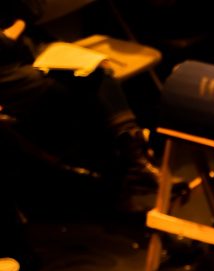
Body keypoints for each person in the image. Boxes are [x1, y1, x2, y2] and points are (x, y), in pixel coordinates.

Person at [0, 0, 159, 212]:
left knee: (97, 70)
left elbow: (35, 8)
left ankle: (134, 158)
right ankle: (120, 178)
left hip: (30, 45)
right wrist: (18, 23)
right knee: (64, 89)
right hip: (6, 71)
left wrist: (18, 24)